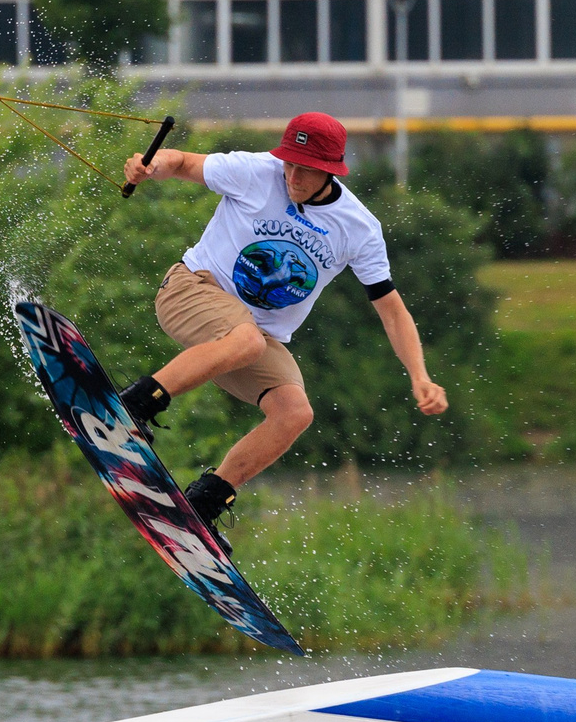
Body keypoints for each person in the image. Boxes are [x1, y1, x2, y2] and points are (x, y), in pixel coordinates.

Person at [115, 111, 448, 536]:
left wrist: (419, 375)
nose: (292, 176)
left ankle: (203, 503)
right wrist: (151, 166)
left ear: (331, 171)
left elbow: (391, 309)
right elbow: (179, 162)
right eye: (289, 163)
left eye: (305, 170)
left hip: (246, 337)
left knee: (294, 412)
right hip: (190, 290)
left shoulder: (358, 227)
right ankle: (133, 406)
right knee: (248, 341)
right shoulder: (256, 172)